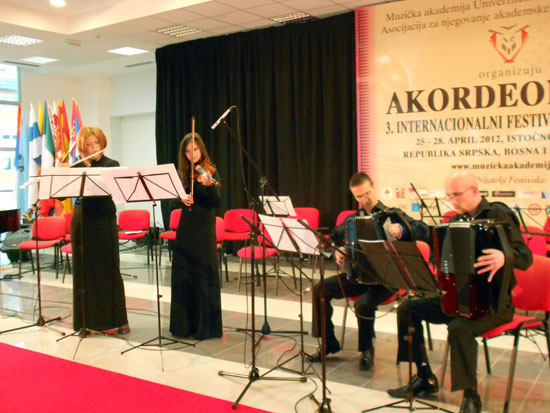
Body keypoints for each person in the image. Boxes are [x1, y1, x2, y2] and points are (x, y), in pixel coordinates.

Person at [386, 171, 533, 413]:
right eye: (449, 196)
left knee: (459, 328)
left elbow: (525, 257)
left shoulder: (499, 214)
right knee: (408, 309)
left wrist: (504, 256)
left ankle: (470, 397)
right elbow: (436, 244)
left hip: (495, 304)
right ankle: (424, 376)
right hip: (459, 299)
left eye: (457, 194)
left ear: (475, 190)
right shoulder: (455, 220)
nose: (453, 201)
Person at [308, 172, 428, 371]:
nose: (363, 200)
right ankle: (329, 343)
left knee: (364, 304)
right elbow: (332, 238)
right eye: (358, 197)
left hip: (388, 280)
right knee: (320, 289)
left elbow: (422, 229)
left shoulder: (392, 214)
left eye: (366, 194)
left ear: (374, 188)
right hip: (359, 276)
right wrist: (337, 251)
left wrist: (402, 230)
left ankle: (366, 350)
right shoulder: (352, 219)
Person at [71, 126, 129, 334]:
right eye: (88, 144)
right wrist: (60, 171)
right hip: (82, 221)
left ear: (102, 143)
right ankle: (86, 321)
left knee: (109, 268)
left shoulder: (111, 165)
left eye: (96, 143)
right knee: (84, 272)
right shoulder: (76, 167)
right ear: (82, 147)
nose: (93, 147)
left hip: (103, 219)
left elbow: (116, 192)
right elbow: (60, 196)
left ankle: (118, 319)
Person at [169, 132, 223, 340]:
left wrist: (208, 186)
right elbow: (172, 200)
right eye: (188, 151)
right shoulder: (181, 172)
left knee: (203, 274)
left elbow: (216, 201)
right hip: (186, 227)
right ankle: (184, 326)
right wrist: (181, 199)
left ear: (202, 150)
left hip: (204, 226)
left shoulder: (210, 169)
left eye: (195, 150)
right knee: (185, 274)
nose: (192, 154)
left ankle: (205, 327)